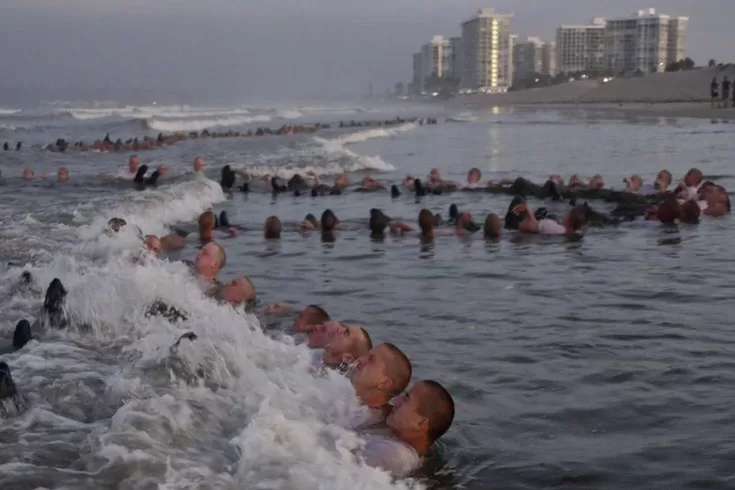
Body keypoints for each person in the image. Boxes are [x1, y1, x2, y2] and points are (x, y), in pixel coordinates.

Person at [360, 380, 455, 478]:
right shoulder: (402, 449)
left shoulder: (392, 455)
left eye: (406, 398)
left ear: (420, 423)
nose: (396, 400)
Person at [349, 343, 412, 430]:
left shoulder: (371, 422)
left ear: (384, 383)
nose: (360, 359)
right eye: (365, 355)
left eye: (371, 359)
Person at [512, 203, 587, 236]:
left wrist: (527, 209)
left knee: (518, 198)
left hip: (515, 226)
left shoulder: (552, 227)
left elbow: (530, 225)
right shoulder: (574, 232)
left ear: (568, 218)